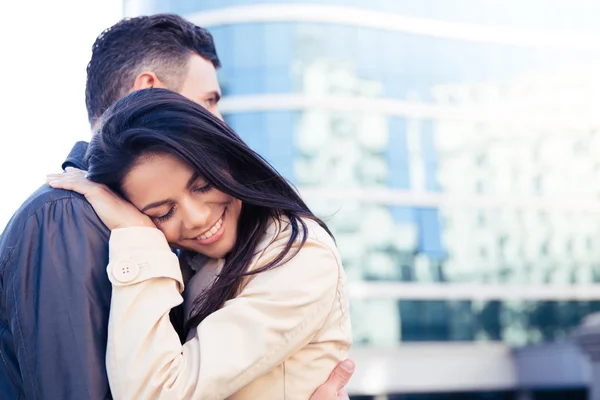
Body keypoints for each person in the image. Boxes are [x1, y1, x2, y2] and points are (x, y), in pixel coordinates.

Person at [0, 14, 354, 399]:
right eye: (208, 102)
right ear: (148, 89)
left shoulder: (285, 251)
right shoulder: (71, 216)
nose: (217, 121)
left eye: (202, 185)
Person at [48, 87, 352, 399]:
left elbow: (154, 393)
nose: (195, 217)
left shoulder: (299, 257)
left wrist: (137, 233)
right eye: (163, 212)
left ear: (228, 159)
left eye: (204, 185)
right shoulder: (193, 263)